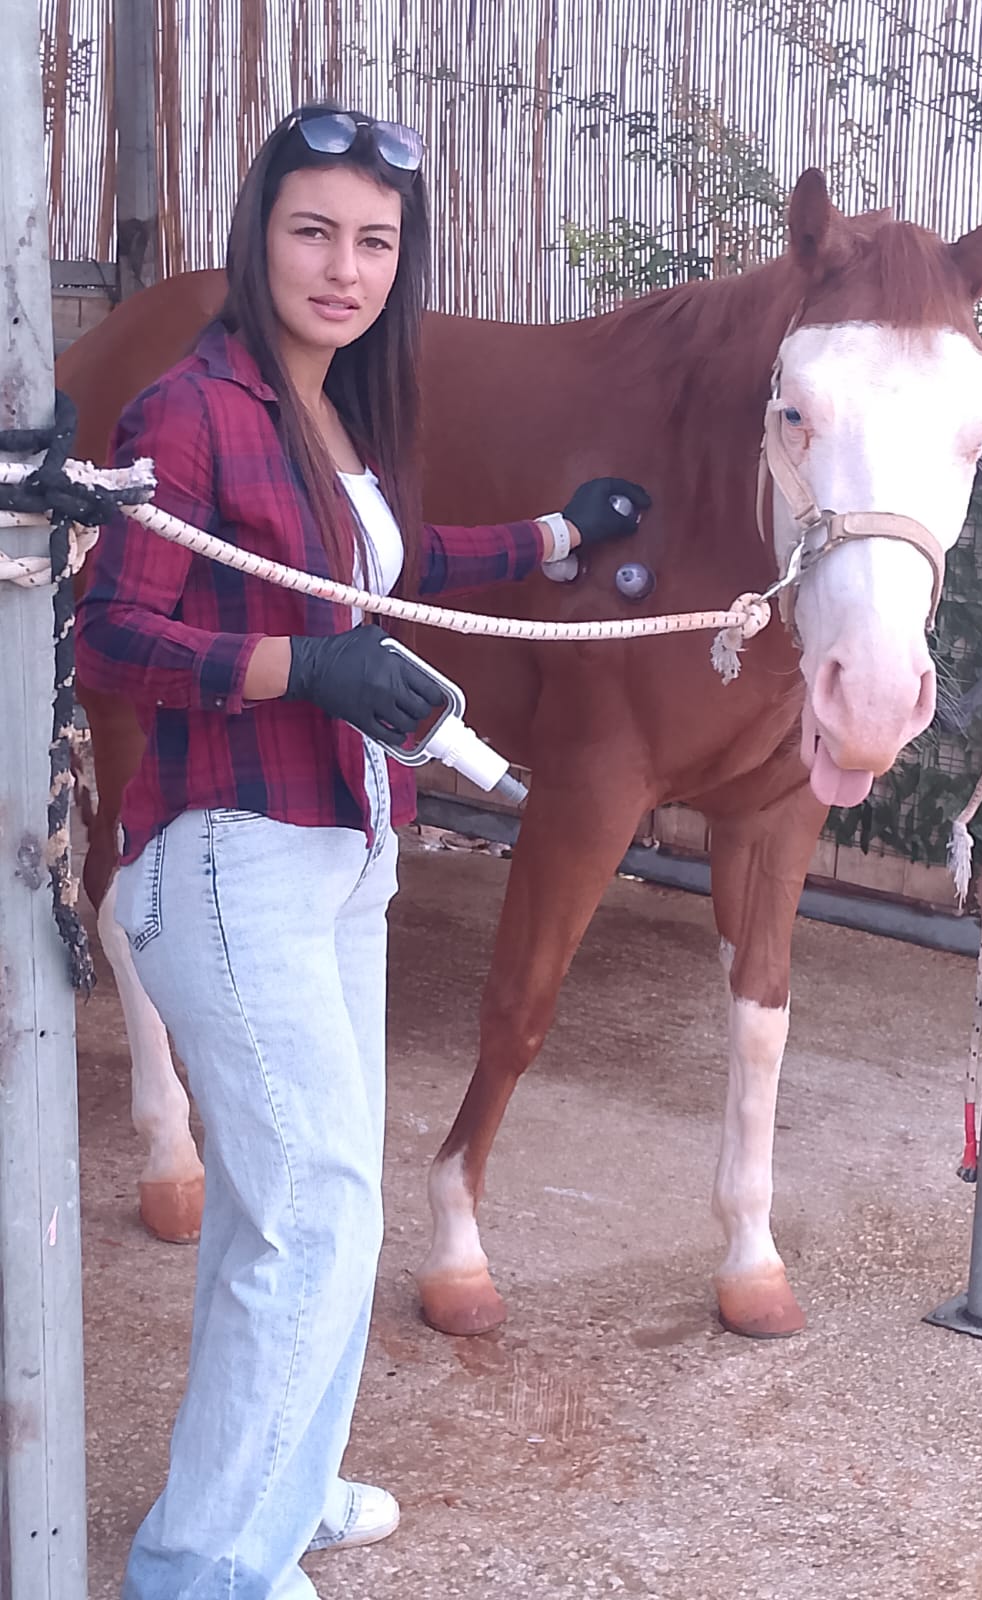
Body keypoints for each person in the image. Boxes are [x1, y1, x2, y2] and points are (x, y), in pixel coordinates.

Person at [76, 102, 649, 1600]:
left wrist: (551, 537)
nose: (344, 268)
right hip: (229, 852)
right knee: (318, 1214)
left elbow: (391, 563)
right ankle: (204, 1570)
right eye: (313, 232)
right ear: (258, 238)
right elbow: (111, 633)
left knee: (293, 1209)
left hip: (342, 848)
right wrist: (301, 667)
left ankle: (277, 1486)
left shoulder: (334, 414)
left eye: (375, 243)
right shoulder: (190, 410)